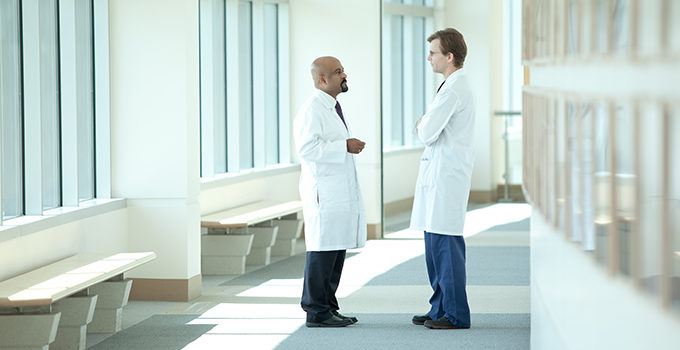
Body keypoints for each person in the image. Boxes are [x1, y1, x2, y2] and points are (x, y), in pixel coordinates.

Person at [293, 56, 367, 328]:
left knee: (335, 251)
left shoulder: (332, 106)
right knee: (322, 252)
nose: (344, 75)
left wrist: (342, 146)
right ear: (322, 79)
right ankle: (316, 310)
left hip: (336, 192)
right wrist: (344, 147)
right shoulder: (312, 109)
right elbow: (307, 149)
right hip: (323, 193)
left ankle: (328, 306)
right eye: (338, 72)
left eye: (343, 70)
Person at [409, 28, 475, 330]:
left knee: (445, 245)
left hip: (447, 177)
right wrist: (425, 124)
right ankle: (439, 308)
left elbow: (425, 131)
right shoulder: (451, 85)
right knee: (434, 243)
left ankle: (455, 314)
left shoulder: (453, 89)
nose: (429, 57)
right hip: (439, 175)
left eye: (433, 52)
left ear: (450, 56)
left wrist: (422, 123)